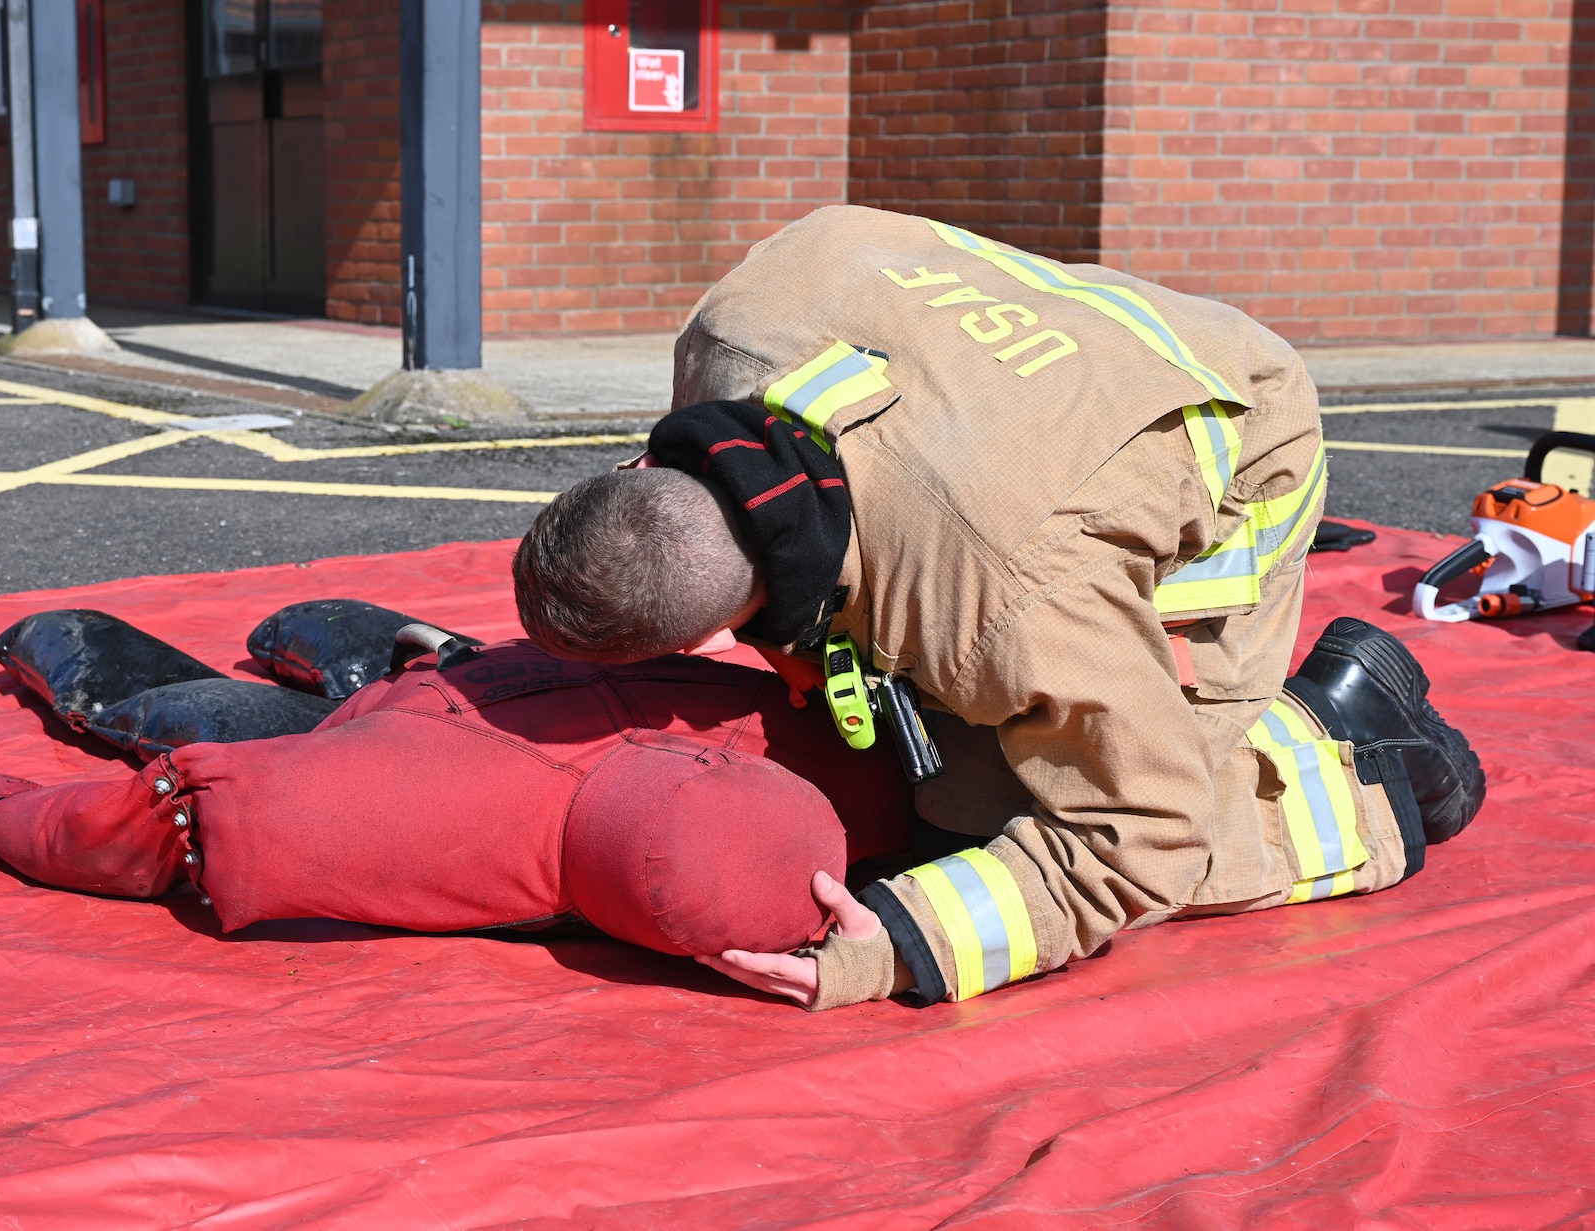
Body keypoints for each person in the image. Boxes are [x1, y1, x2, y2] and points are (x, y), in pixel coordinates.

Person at [512, 204, 1486, 1010]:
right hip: (1079, 357)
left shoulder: (1012, 599)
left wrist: (904, 940)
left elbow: (1134, 840)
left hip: (1237, 426)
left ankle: (1361, 761)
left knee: (980, 815)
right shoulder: (732, 330)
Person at [0, 635, 926, 963]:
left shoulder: (380, 810)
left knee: (174, 711)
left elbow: (154, 821)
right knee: (358, 651)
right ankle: (381, 647)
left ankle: (65, 634)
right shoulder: (858, 775)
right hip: (485, 677)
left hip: (423, 715)